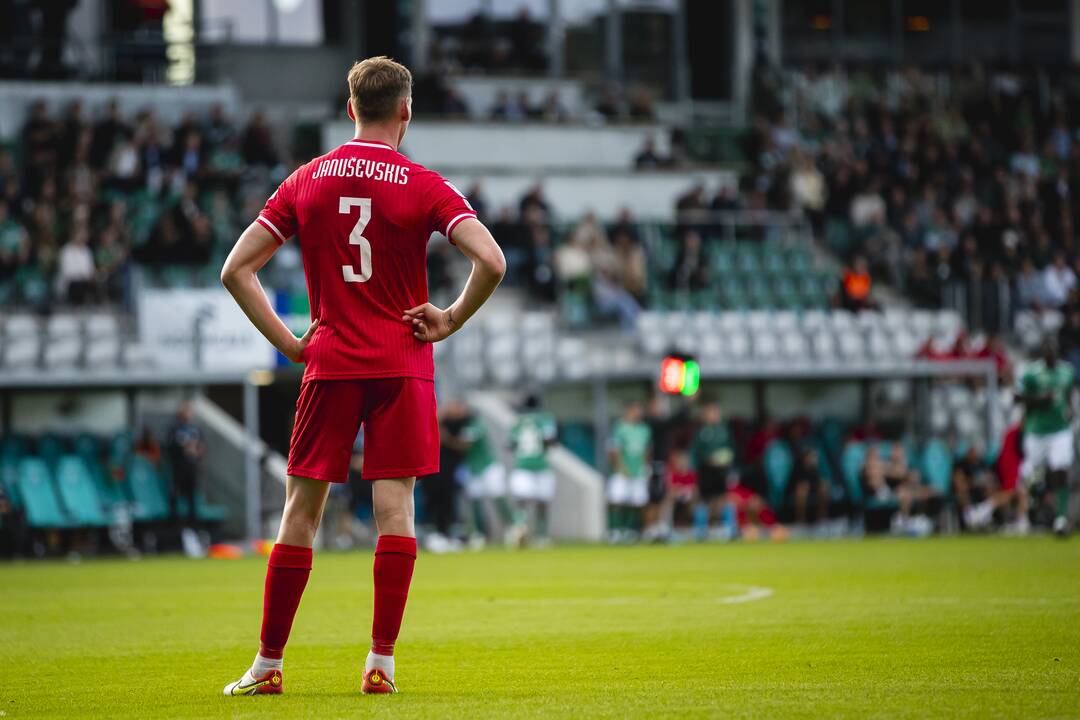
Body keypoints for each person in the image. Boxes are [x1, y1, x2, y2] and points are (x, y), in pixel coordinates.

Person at [220, 56, 505, 697]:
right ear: (405, 111)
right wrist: (452, 318)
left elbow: (236, 269)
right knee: (394, 508)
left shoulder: (307, 179)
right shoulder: (425, 184)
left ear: (350, 110)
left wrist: (292, 344)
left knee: (301, 511)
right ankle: (380, 663)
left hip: (331, 363)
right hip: (403, 361)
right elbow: (492, 259)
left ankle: (268, 665)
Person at [1014, 341, 1074, 537]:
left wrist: (1070, 410)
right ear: (1042, 354)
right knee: (1031, 475)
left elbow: (1069, 396)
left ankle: (1061, 519)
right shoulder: (1031, 373)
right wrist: (1040, 399)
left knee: (1060, 470)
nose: (1050, 355)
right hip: (1037, 431)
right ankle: (1030, 504)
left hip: (1059, 430)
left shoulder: (1067, 372)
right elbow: (1018, 397)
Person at [459, 407, 515, 546]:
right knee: (475, 501)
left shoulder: (477, 425)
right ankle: (479, 533)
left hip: (488, 467)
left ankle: (512, 527)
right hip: (473, 469)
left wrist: (447, 438)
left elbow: (465, 443)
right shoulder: (465, 427)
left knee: (498, 497)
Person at [507, 394, 558, 545]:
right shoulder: (545, 419)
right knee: (542, 502)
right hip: (541, 465)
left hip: (522, 465)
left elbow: (510, 444)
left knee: (521, 500)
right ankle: (541, 535)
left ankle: (520, 526)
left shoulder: (517, 422)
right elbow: (549, 440)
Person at [606, 401, 652, 542]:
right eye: (635, 410)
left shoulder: (644, 430)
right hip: (622, 472)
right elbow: (614, 450)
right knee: (616, 500)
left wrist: (645, 466)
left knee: (637, 502)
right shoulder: (620, 428)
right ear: (629, 411)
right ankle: (614, 531)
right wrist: (621, 467)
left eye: (640, 410)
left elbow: (647, 450)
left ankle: (630, 531)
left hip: (638, 471)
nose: (638, 413)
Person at [689, 402, 735, 529]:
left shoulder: (724, 431)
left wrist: (728, 463)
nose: (713, 415)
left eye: (715, 412)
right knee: (703, 500)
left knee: (723, 498)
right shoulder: (700, 432)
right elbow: (694, 452)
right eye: (710, 413)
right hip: (705, 471)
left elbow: (731, 450)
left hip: (721, 471)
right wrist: (696, 469)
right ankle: (700, 529)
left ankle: (728, 528)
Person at [167, 400, 204, 532]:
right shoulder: (175, 429)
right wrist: (184, 449)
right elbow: (170, 446)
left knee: (191, 495)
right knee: (175, 494)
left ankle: (193, 524)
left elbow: (201, 446)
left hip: (191, 467)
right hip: (179, 467)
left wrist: (197, 451)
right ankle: (174, 524)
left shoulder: (195, 429)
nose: (189, 414)